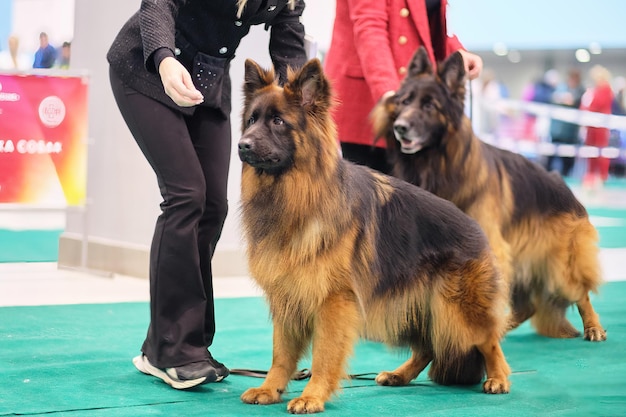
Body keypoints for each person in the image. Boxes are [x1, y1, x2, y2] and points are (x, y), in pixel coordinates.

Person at [107, 0, 308, 390]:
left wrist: (302, 111)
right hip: (148, 70)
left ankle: (185, 344)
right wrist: (164, 60)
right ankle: (171, 350)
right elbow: (158, 5)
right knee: (186, 195)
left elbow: (289, 49)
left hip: (209, 81)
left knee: (214, 206)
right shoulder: (155, 61)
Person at [324, 0, 484, 173]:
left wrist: (455, 50)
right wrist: (388, 93)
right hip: (372, 99)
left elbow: (427, 22)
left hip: (415, 103)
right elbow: (370, 27)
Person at [580, 64, 614, 189]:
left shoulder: (605, 89)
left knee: (601, 151)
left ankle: (601, 176)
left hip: (601, 125)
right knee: (591, 151)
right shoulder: (594, 89)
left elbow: (597, 104)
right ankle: (591, 176)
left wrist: (587, 107)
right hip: (591, 125)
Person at [546, 68, 585, 177]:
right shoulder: (560, 88)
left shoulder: (581, 91)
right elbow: (552, 98)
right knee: (550, 157)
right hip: (556, 131)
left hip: (570, 134)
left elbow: (574, 102)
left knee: (567, 160)